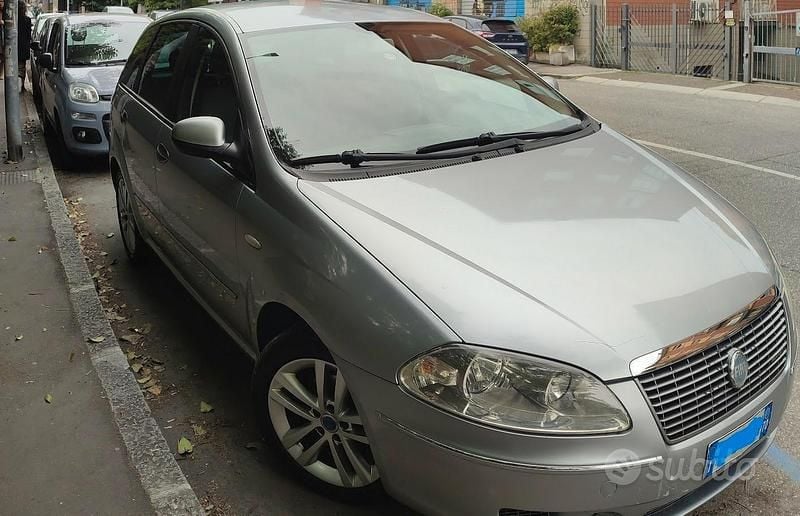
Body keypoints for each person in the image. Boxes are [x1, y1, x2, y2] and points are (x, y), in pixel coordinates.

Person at [17, 0, 31, 92]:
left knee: (14, 66)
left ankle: (17, 85)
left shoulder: (14, 20)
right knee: (22, 66)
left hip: (15, 46)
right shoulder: (27, 20)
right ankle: (22, 86)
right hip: (24, 47)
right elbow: (29, 35)